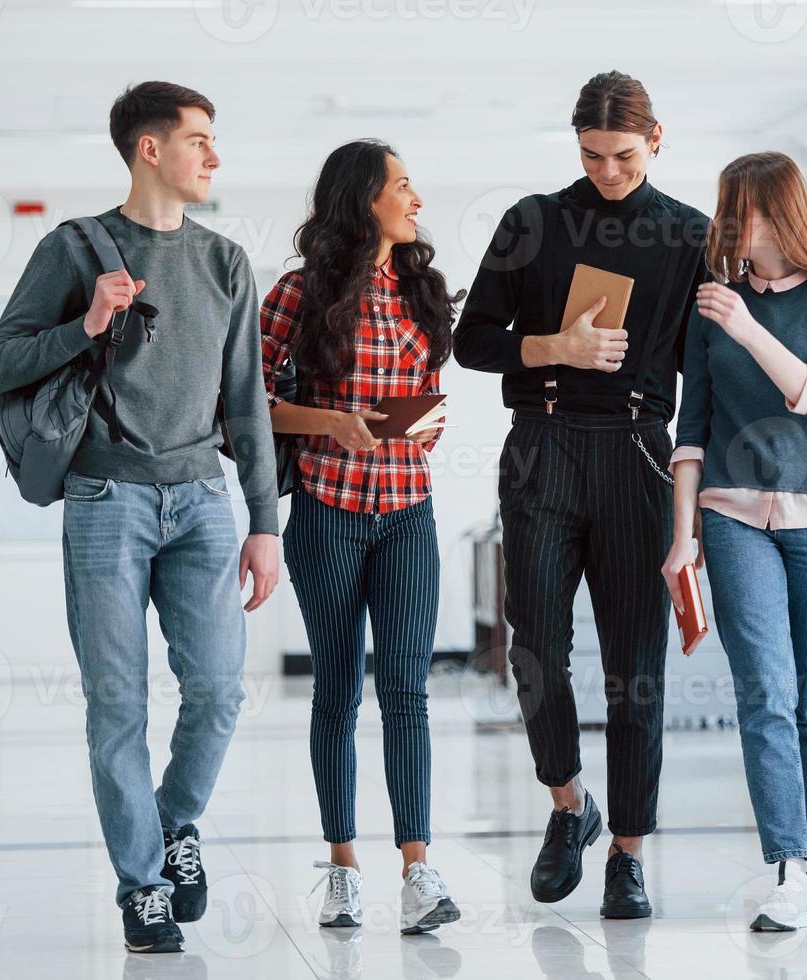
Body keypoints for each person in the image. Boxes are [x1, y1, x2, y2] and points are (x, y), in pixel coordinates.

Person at [0, 81, 280, 953]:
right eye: (199, 140)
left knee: (219, 691)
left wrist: (264, 519)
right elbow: (1, 362)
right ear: (151, 149)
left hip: (203, 503)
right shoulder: (72, 247)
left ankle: (173, 823)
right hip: (104, 500)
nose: (213, 156)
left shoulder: (225, 262)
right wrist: (87, 322)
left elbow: (247, 403)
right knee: (117, 704)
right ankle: (142, 887)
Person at [453, 70, 709, 919]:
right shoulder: (532, 221)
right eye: (593, 155)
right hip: (544, 450)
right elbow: (473, 341)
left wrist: (702, 494)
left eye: (624, 156)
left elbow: (708, 374)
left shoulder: (689, 235)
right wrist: (554, 345)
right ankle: (570, 805)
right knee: (534, 649)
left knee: (636, 670)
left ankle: (629, 853)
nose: (607, 171)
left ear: (657, 139)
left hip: (640, 453)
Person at [663, 150, 807, 932]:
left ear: (782, 213)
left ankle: (803, 858)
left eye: (742, 209)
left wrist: (748, 329)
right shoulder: (710, 304)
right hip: (731, 513)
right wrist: (682, 536)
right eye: (726, 209)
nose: (729, 226)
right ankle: (788, 868)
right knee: (765, 693)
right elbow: (693, 429)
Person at [260, 140, 465, 935]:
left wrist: (426, 421)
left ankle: (418, 870)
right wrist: (329, 423)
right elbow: (242, 400)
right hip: (326, 512)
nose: (416, 198)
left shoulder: (423, 290)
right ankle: (343, 867)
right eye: (403, 186)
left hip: (409, 510)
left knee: (407, 690)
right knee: (338, 690)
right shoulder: (298, 294)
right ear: (364, 199)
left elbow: (429, 399)